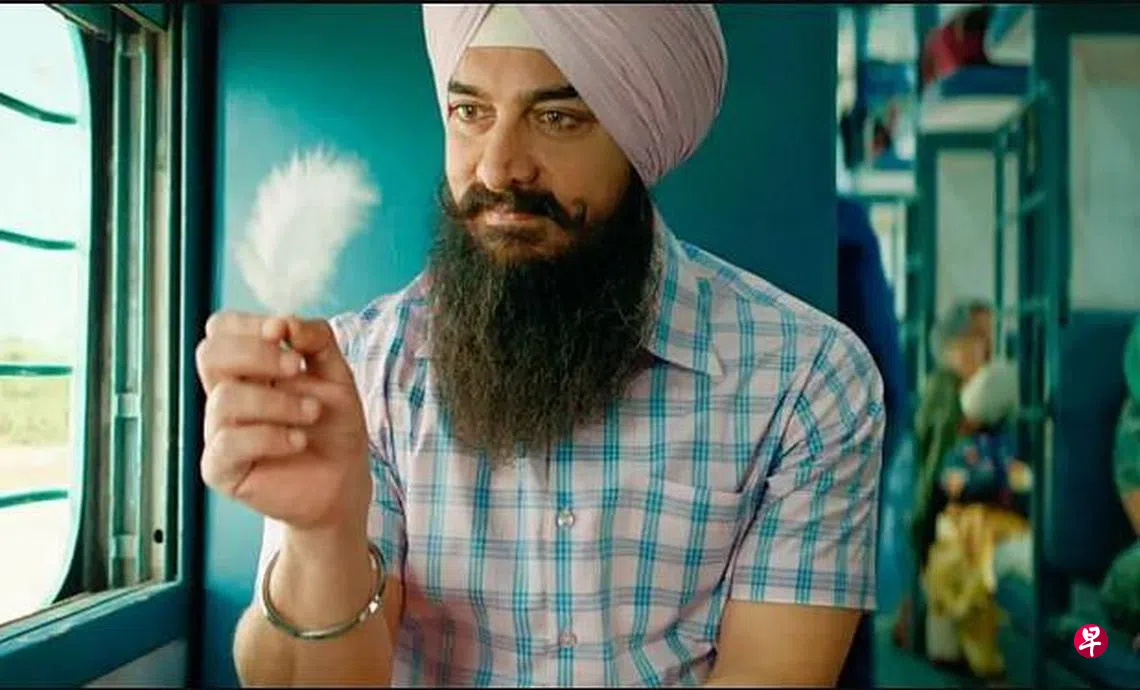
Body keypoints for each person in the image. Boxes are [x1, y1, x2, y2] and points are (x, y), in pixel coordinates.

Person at [195, 5, 885, 687]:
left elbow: (769, 673)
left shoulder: (806, 380)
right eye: (470, 112)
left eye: (556, 118)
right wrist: (321, 535)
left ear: (638, 137)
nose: (499, 169)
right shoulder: (360, 373)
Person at [893, 299, 992, 649]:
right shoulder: (945, 389)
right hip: (937, 489)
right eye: (978, 336)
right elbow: (938, 455)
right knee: (932, 558)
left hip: (942, 487)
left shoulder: (970, 387)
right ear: (954, 345)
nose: (986, 347)